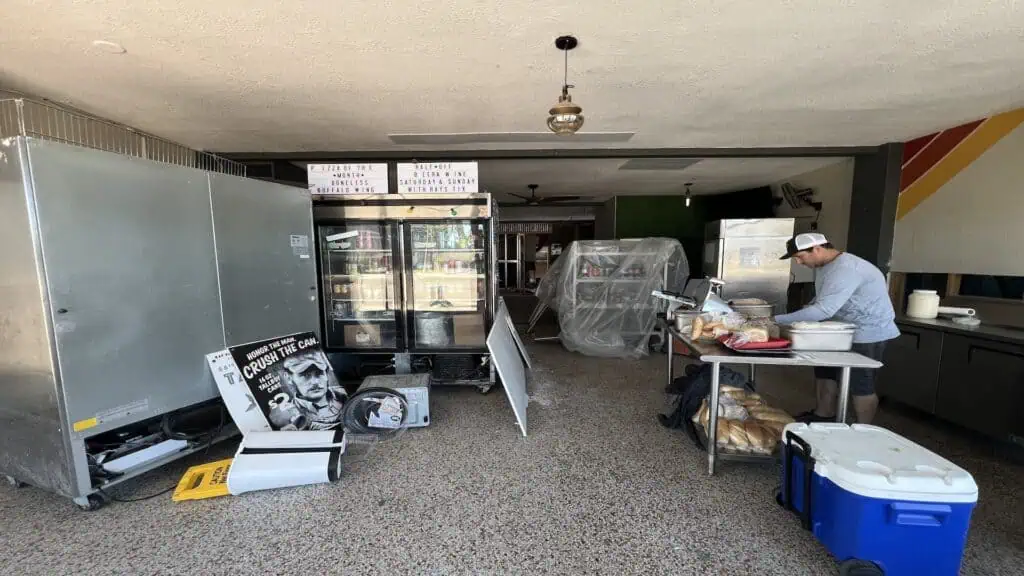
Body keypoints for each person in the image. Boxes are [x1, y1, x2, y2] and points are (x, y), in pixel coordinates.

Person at [774, 233, 898, 424]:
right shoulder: (825, 266)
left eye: (800, 256)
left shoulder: (847, 268)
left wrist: (774, 320)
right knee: (825, 372)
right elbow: (824, 300)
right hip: (838, 330)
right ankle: (823, 415)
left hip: (867, 331)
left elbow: (823, 310)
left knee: (860, 384)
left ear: (817, 249)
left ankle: (862, 430)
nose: (798, 262)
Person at [276, 352, 348, 430]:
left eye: (319, 373)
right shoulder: (289, 416)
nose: (315, 382)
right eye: (305, 375)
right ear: (288, 378)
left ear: (326, 374)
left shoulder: (344, 395)